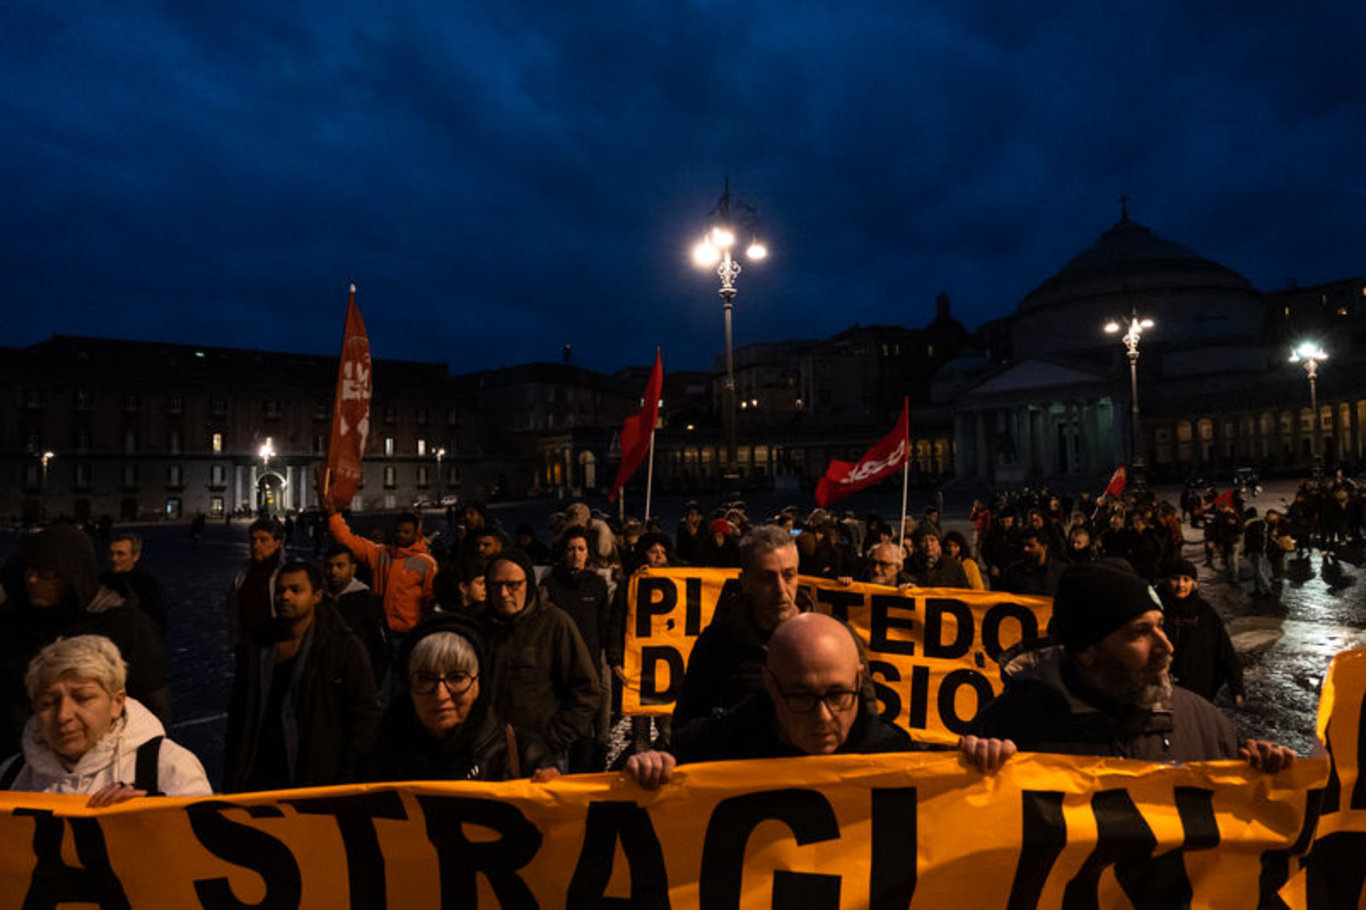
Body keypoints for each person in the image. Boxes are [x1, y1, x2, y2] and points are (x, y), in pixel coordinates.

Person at [625, 614, 1014, 787]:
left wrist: (981, 764)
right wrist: (650, 770)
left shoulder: (894, 752)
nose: (824, 716)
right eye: (801, 697)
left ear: (859, 681)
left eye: (838, 695)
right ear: (770, 685)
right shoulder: (712, 745)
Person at [971, 561, 1292, 770]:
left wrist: (1264, 777)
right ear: (1086, 652)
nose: (1166, 646)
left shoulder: (1205, 723)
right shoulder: (1006, 730)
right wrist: (976, 779)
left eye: (1160, 625)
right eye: (1140, 632)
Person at [0, 523, 171, 758]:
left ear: (72, 573)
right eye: (28, 571)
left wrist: (141, 765)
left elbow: (153, 704)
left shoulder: (126, 626)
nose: (32, 580)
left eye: (45, 573)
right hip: (20, 764)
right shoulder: (14, 622)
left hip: (104, 767)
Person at [223, 561, 380, 792]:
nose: (284, 596)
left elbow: (364, 720)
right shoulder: (257, 647)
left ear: (317, 596)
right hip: (258, 779)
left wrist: (345, 781)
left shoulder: (343, 648)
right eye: (280, 590)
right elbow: (239, 715)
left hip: (314, 781)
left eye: (296, 590)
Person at [0, 636, 210, 804]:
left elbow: (206, 851)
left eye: (82, 698)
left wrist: (147, 820)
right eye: (48, 703)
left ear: (117, 702)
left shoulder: (167, 766)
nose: (63, 715)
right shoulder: (10, 776)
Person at [366, 614, 557, 782]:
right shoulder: (379, 753)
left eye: (457, 678)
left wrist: (551, 798)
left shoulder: (524, 755)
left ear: (479, 685)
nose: (441, 695)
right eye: (425, 679)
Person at [672, 526, 813, 727]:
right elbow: (685, 728)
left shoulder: (833, 638)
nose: (781, 589)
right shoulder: (716, 645)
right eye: (767, 578)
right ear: (745, 582)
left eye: (788, 575)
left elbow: (866, 731)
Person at [479, 549, 600, 769]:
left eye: (513, 585)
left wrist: (554, 739)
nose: (504, 593)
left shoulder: (554, 624)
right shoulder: (478, 626)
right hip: (487, 755)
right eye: (496, 585)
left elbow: (587, 690)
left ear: (529, 584)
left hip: (542, 757)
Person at [539, 528, 612, 771]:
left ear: (588, 552)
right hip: (559, 665)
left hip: (592, 661)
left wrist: (608, 658)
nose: (576, 554)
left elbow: (604, 624)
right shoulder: (550, 585)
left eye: (581, 549)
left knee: (598, 722)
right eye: (571, 549)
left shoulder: (597, 584)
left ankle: (596, 764)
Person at [321, 499, 439, 639]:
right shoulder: (381, 554)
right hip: (382, 629)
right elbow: (350, 542)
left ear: (416, 535)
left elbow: (430, 598)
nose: (400, 535)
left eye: (406, 532)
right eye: (398, 530)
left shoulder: (426, 562)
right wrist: (334, 516)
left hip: (411, 632)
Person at [1158, 559, 1244, 705]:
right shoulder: (1155, 610)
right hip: (1161, 690)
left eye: (1186, 579)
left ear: (1193, 583)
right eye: (1175, 579)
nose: (1181, 585)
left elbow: (1224, 650)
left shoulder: (1205, 612)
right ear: (1165, 581)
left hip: (1197, 689)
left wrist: (1236, 687)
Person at [323, 545, 390, 687]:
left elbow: (380, 644)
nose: (333, 571)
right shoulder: (319, 599)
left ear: (353, 569)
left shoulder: (368, 600)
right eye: (329, 566)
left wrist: (374, 680)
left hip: (357, 678)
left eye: (340, 566)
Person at [228, 517, 287, 647]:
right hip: (247, 646)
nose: (256, 545)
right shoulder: (242, 573)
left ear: (278, 543)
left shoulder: (288, 573)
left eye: (263, 540)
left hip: (275, 647)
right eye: (253, 540)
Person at [105, 533, 168, 634]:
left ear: (135, 556)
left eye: (120, 554)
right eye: (111, 553)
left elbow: (158, 622)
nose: (114, 559)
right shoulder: (104, 580)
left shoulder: (148, 585)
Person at [1000, 529, 1065, 596]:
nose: (1025, 549)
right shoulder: (1014, 571)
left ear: (1044, 547)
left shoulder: (1060, 571)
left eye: (1030, 546)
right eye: (1024, 545)